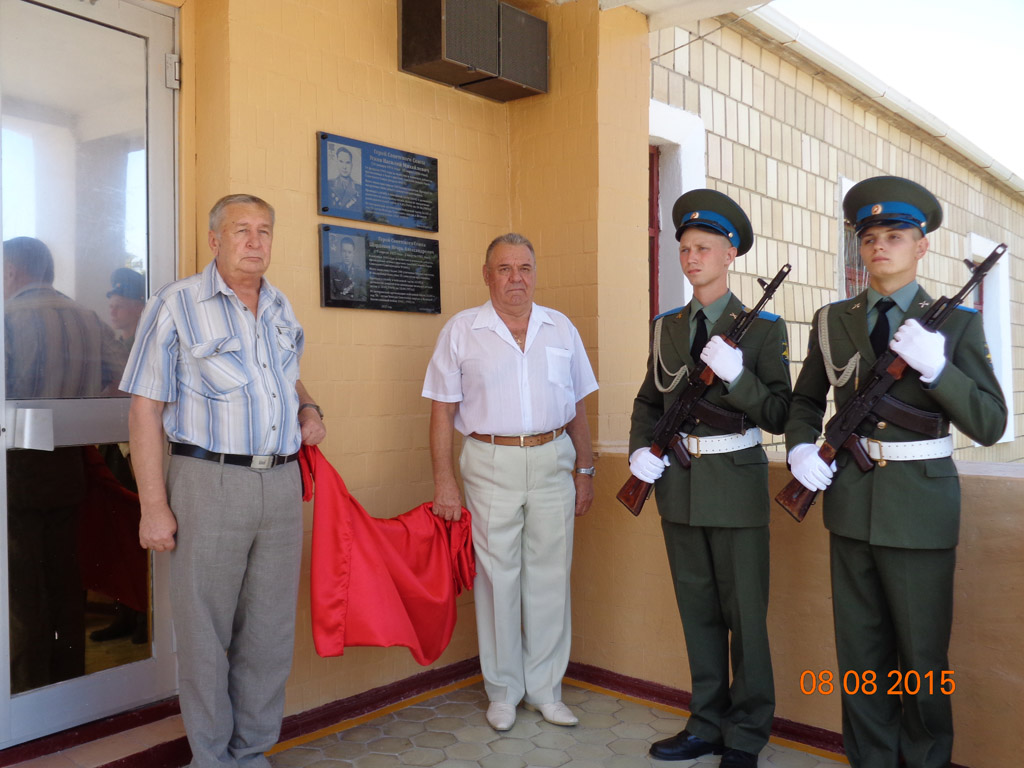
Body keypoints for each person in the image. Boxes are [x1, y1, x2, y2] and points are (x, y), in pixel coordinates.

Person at [784, 176, 1007, 768]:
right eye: (871, 237)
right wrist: (801, 448)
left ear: (921, 247)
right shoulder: (832, 320)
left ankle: (926, 760)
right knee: (859, 659)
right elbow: (805, 402)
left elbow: (990, 422)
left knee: (922, 661)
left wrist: (939, 371)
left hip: (919, 510)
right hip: (851, 502)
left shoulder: (955, 323)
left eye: (896, 235)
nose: (881, 245)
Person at [120, 194, 326, 768]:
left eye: (264, 230)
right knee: (206, 634)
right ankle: (211, 759)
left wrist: (311, 410)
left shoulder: (281, 307)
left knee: (268, 633)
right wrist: (152, 506)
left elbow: (289, 379)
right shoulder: (177, 304)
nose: (255, 241)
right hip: (207, 482)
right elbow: (144, 410)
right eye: (242, 230)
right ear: (215, 240)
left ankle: (251, 753)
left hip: (281, 485)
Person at [628, 190, 791, 768]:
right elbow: (651, 399)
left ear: (730, 255)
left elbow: (778, 414)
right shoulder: (667, 327)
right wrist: (639, 453)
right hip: (679, 485)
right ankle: (705, 723)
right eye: (685, 248)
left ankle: (746, 734)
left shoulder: (765, 329)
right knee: (697, 614)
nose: (691, 257)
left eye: (704, 248)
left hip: (735, 485)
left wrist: (739, 378)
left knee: (745, 618)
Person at [422, 233, 597, 732]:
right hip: (489, 460)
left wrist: (585, 470)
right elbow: (441, 412)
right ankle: (502, 690)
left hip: (552, 459)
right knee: (498, 578)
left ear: (535, 273)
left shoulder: (560, 329)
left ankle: (545, 690)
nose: (515, 278)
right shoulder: (461, 331)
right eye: (504, 269)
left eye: (524, 268)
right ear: (486, 274)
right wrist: (445, 481)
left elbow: (579, 406)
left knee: (549, 577)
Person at [4, 236, 128, 693]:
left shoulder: (7, 319)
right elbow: (124, 380)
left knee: (21, 583)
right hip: (69, 465)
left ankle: (29, 691)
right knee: (63, 575)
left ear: (12, 271)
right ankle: (68, 683)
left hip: (16, 468)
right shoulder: (88, 318)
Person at [107, 266, 146, 349]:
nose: (112, 312)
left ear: (139, 309)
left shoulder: (144, 347)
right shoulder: (116, 346)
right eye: (111, 306)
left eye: (119, 306)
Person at [330, 236, 367, 300]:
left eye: (349, 252)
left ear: (353, 253)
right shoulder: (333, 269)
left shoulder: (360, 273)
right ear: (340, 252)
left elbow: (363, 297)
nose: (346, 255)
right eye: (344, 251)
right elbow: (330, 293)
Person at [328, 145, 362, 212]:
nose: (344, 167)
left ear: (351, 165)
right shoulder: (328, 184)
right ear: (337, 163)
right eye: (341, 161)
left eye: (347, 162)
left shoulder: (359, 188)